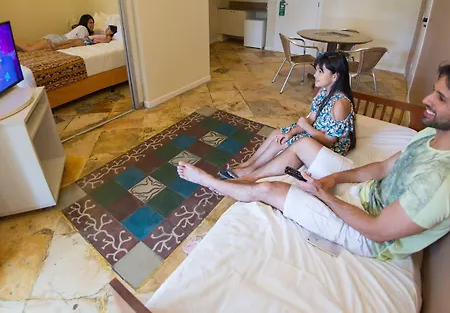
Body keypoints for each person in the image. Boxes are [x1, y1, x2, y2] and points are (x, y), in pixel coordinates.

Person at [178, 64, 450, 261]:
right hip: (367, 192)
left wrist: (324, 195)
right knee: (301, 144)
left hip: (367, 234)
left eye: (441, 98)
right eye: (433, 92)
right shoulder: (428, 135)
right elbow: (382, 167)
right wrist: (335, 178)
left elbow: (378, 231)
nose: (426, 100)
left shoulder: (439, 180)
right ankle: (250, 175)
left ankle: (211, 182)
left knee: (271, 190)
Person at [220, 51, 355, 180]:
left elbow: (330, 141)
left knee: (284, 143)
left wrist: (305, 127)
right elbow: (311, 118)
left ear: (335, 76)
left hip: (332, 147)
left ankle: (249, 171)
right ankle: (247, 164)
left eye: (320, 71)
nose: (315, 75)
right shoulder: (324, 91)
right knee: (277, 134)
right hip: (317, 132)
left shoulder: (340, 104)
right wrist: (291, 132)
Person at [15, 14, 95, 52]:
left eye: (93, 23)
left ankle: (13, 43)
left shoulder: (79, 28)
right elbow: (81, 43)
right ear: (85, 22)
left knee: (29, 45)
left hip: (56, 37)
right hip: (60, 39)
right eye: (90, 23)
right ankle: (13, 43)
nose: (92, 25)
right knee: (30, 49)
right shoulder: (83, 28)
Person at [52, 25, 117, 50]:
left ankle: (57, 48)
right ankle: (57, 44)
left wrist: (96, 40)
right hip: (88, 38)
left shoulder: (108, 37)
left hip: (89, 41)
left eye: (108, 29)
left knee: (72, 44)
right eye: (107, 28)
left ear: (112, 32)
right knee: (71, 40)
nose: (106, 29)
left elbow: (106, 41)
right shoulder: (103, 35)